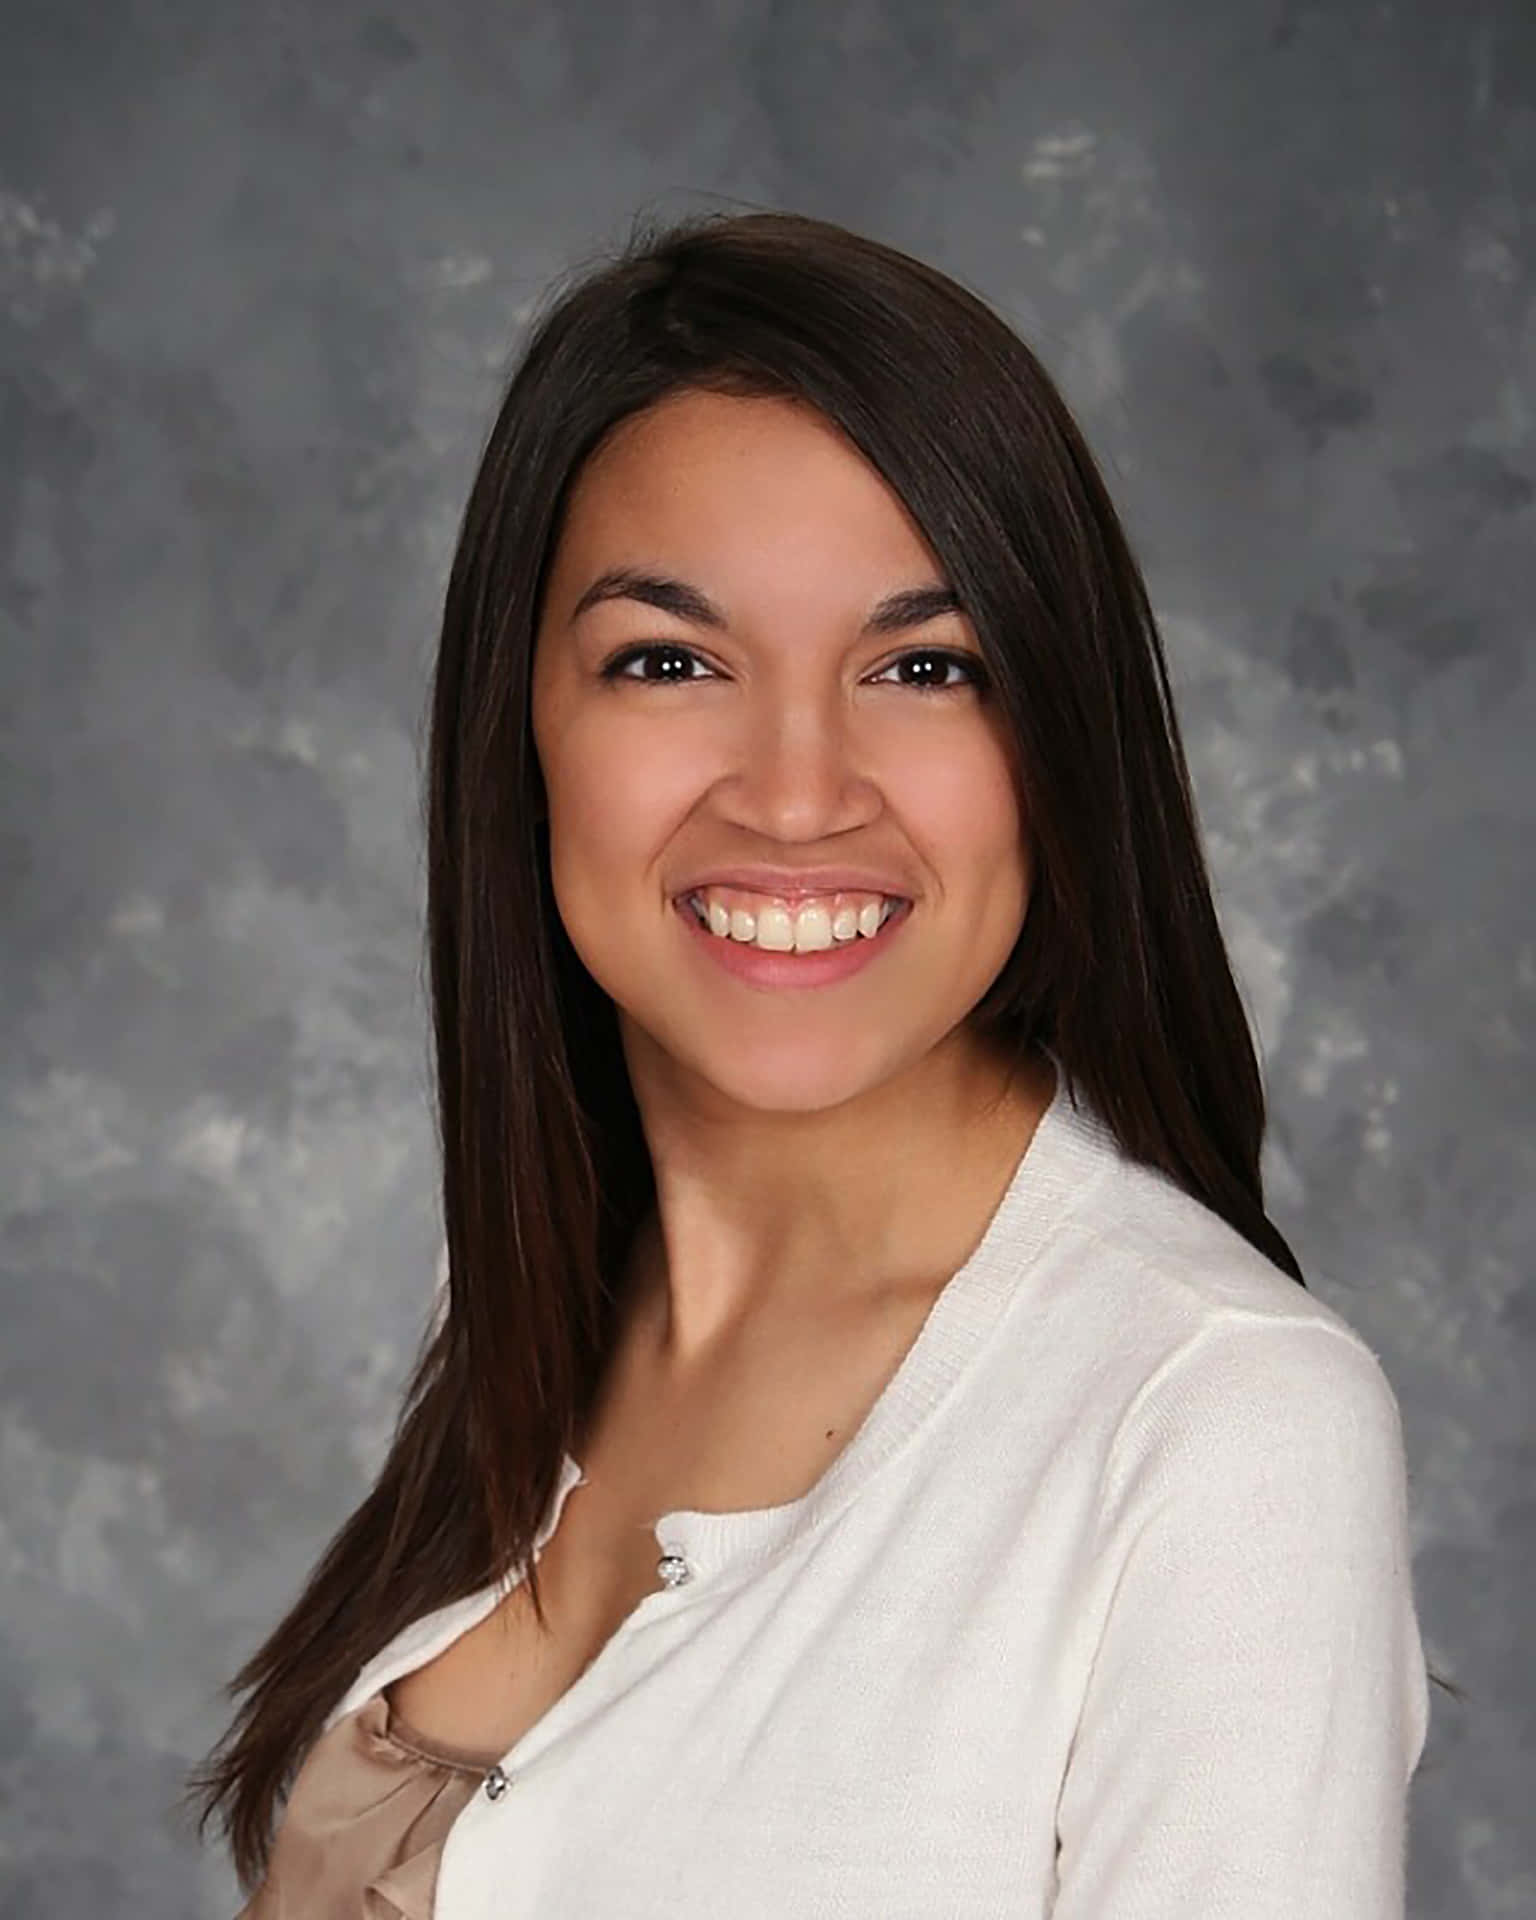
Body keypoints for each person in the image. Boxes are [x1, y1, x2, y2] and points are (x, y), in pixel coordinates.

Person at [186, 208, 1431, 1918]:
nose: (793, 790)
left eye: (923, 667)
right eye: (671, 661)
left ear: (1057, 741)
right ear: (523, 726)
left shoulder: (1221, 1427)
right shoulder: (554, 1294)